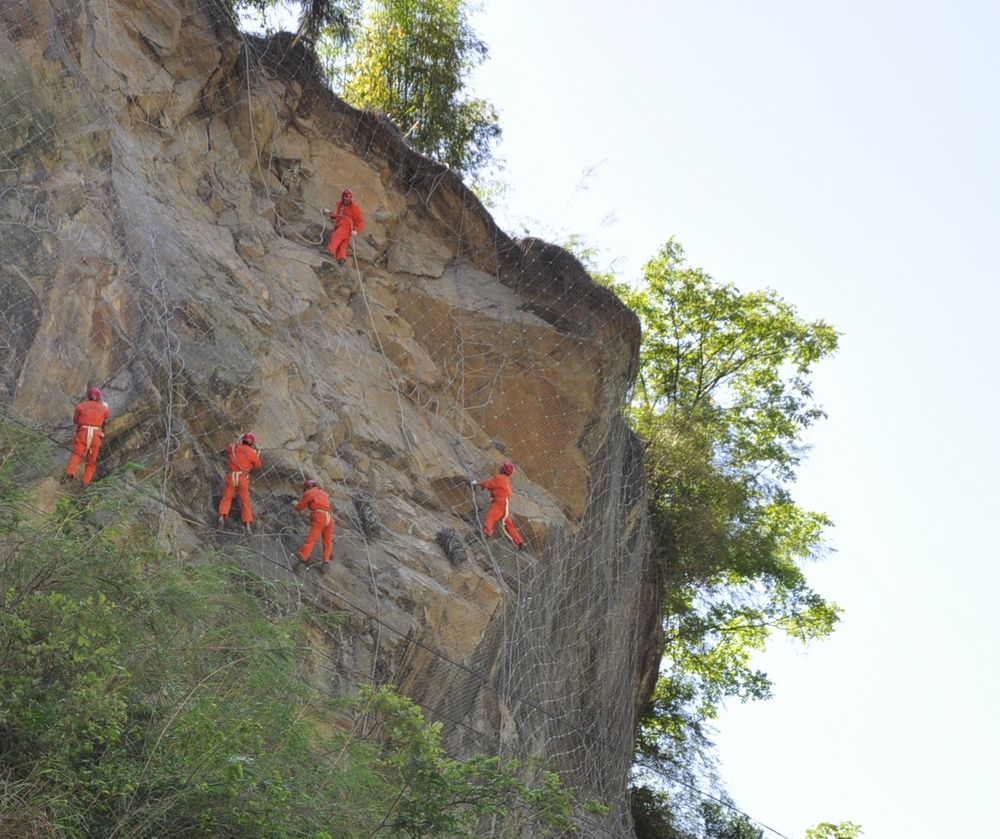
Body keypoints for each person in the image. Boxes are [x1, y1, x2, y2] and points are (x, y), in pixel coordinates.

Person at [472, 461, 525, 550]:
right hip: (505, 503)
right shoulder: (507, 480)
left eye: (501, 467)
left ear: (503, 470)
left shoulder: (500, 478)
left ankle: (486, 533)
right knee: (508, 524)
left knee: (490, 517)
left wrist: (478, 483)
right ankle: (519, 542)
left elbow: (489, 483)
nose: (499, 467)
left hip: (500, 502)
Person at [62, 387, 110, 485]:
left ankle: (70, 471)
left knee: (76, 454)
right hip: (96, 435)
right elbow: (107, 415)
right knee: (91, 460)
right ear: (98, 398)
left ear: (88, 397)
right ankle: (85, 481)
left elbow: (75, 420)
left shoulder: (80, 406)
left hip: (82, 432)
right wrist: (105, 408)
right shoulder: (102, 408)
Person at [217, 432, 262, 533]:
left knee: (226, 498)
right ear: (252, 442)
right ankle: (247, 525)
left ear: (243, 439)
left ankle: (221, 517)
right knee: (245, 502)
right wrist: (257, 454)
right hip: (242, 478)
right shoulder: (252, 452)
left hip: (231, 476)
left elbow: (229, 447)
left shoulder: (233, 448)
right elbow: (258, 465)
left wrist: (238, 439)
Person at [293, 478, 334, 572]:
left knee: (311, 539)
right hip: (330, 517)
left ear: (307, 487)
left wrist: (295, 504)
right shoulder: (323, 493)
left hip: (320, 517)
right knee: (327, 541)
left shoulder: (309, 493)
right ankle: (325, 564)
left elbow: (300, 507)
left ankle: (300, 561)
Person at [323, 188, 364, 266]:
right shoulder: (340, 205)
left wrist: (356, 230)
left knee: (335, 237)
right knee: (342, 244)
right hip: (341, 226)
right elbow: (338, 215)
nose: (347, 201)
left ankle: (330, 251)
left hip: (346, 227)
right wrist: (330, 213)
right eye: (346, 199)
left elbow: (360, 221)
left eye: (349, 200)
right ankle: (341, 258)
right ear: (342, 198)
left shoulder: (355, 207)